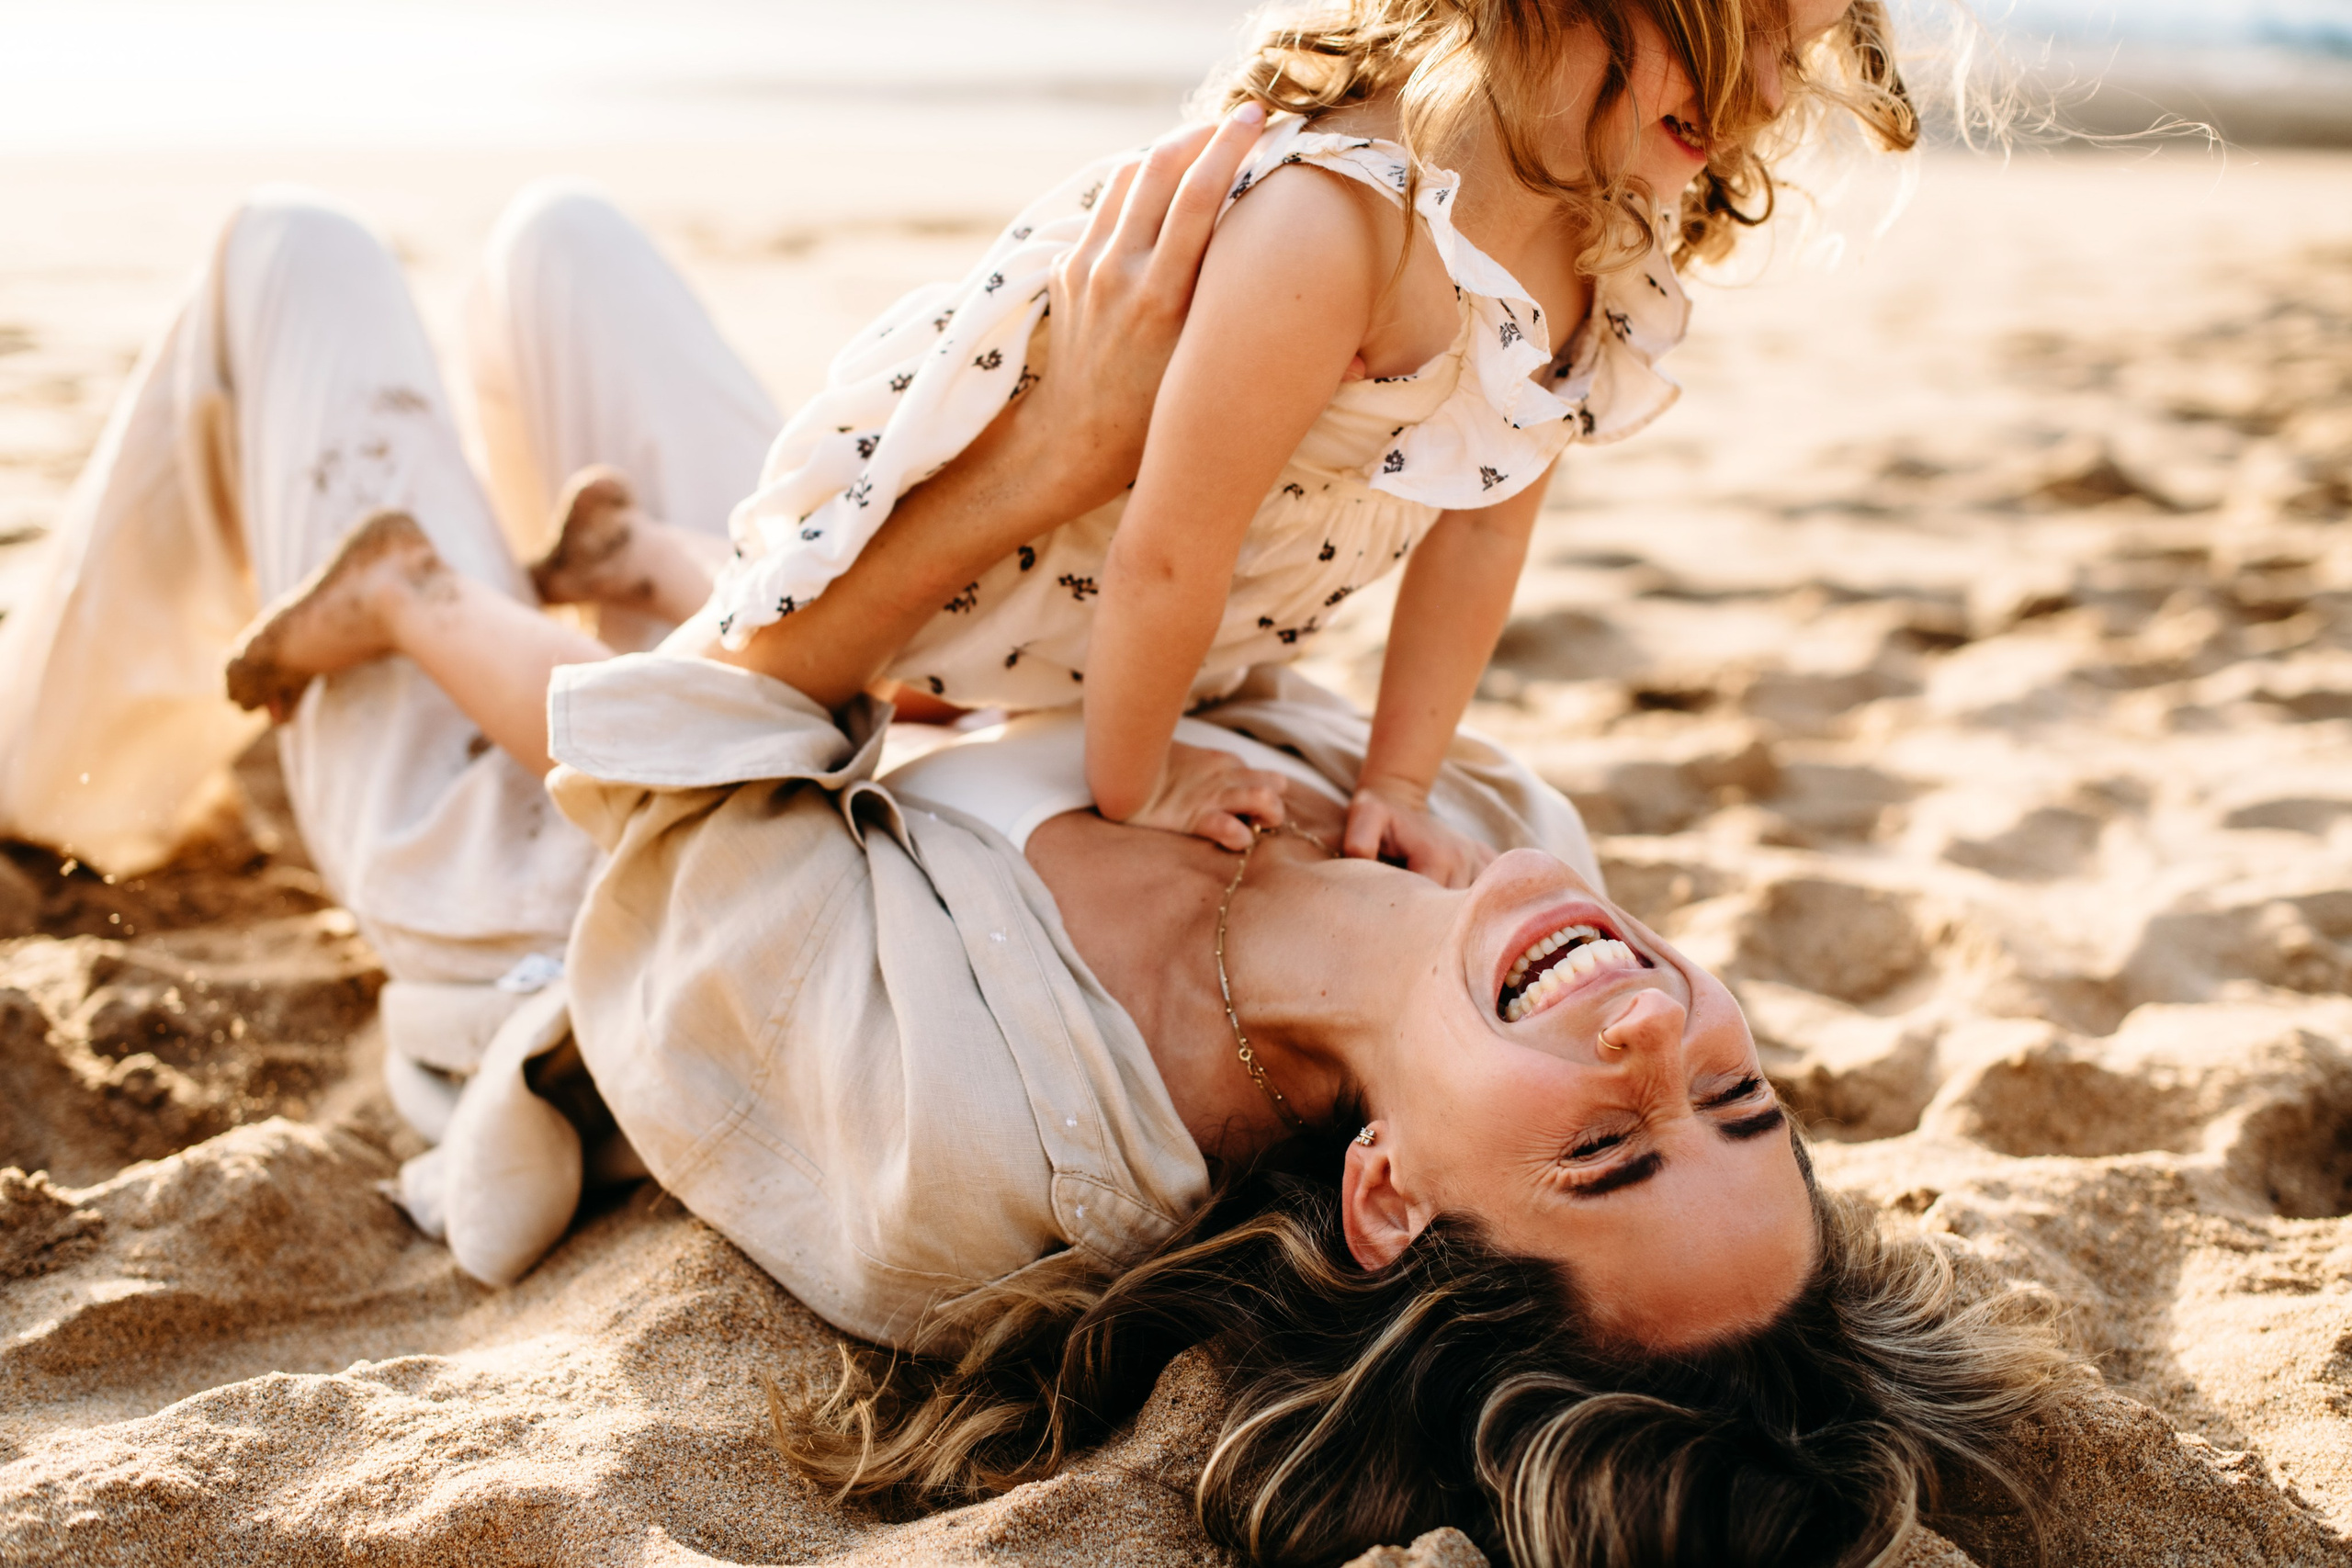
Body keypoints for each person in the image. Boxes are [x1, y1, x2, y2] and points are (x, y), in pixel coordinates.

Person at [0, 56, 2069, 1568]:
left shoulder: (992, 1147)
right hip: (920, 674)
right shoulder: (1481, 857)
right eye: (1736, 1099)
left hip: (558, 856)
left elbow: (664, 768)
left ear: (1389, 1201)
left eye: (1609, 1146)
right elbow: (1239, 580)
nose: (1662, 1026)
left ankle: (43, 768)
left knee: (286, 261)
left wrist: (1049, 448)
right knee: (557, 249)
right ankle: (590, 529)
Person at [273, 0, 1914, 890]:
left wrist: (1401, 780)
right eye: (1748, 19)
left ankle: (634, 553)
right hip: (1013, 526)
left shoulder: (1606, 231)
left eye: (1813, 35)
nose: (1774, 83)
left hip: (1104, 622)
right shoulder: (1337, 226)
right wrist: (1134, 785)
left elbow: (1484, 526)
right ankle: (419, 588)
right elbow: (1165, 548)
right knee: (669, 751)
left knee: (921, 690)